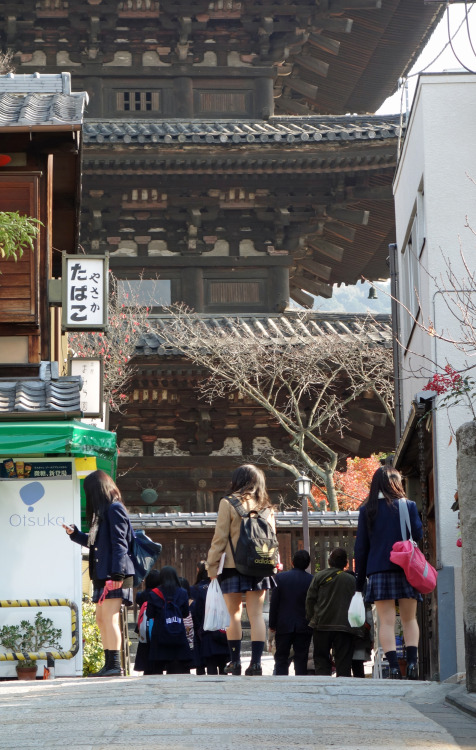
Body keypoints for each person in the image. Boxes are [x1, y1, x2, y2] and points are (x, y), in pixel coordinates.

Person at [354, 465, 423, 680]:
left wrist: (359, 582)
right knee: (410, 619)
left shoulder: (368, 510)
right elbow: (418, 534)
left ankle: (393, 667)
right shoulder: (408, 506)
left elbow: (361, 548)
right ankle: (411, 665)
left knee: (386, 621)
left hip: (378, 571)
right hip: (406, 568)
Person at [207, 464, 276, 676]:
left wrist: (211, 566)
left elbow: (220, 537)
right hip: (261, 565)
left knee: (233, 614)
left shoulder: (228, 503)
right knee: (256, 615)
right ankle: (256, 664)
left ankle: (235, 662)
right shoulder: (267, 507)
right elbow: (273, 538)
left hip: (232, 566)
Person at [63, 469, 134, 677]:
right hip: (105, 574)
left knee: (109, 617)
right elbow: (95, 544)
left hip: (115, 574)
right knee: (101, 618)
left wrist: (117, 576)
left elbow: (120, 544)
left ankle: (114, 666)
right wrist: (74, 534)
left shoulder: (114, 509)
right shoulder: (102, 514)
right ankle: (109, 664)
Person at [305, 547, 356, 677]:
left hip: (322, 624)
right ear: (346, 563)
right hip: (344, 626)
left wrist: (312, 618)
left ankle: (323, 685)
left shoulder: (319, 576)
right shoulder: (352, 580)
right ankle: (342, 688)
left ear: (329, 561)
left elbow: (310, 600)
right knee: (344, 660)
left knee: (321, 659)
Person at [268, 549, 313, 676]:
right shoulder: (311, 580)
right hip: (304, 625)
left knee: (281, 657)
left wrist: (272, 624)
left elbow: (274, 603)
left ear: (292, 562)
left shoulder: (280, 578)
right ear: (308, 564)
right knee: (301, 658)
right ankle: (301, 682)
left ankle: (282, 683)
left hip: (283, 624)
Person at [146, 565, 191, 674]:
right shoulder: (183, 592)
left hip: (159, 634)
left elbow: (149, 613)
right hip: (177, 632)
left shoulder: (154, 593)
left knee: (157, 669)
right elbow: (185, 614)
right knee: (177, 669)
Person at [190, 561, 229, 675]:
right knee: (223, 663)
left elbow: (195, 611)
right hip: (222, 629)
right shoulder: (222, 586)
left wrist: (199, 628)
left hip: (206, 629)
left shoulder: (195, 589)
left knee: (211, 662)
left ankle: (212, 686)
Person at [134, 569, 161, 675]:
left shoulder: (141, 595)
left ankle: (146, 669)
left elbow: (138, 601)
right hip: (157, 626)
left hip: (144, 627)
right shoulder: (160, 594)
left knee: (144, 647)